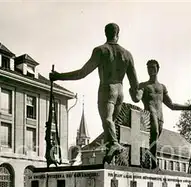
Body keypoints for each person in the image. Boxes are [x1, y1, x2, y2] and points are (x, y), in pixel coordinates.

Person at [50, 23, 140, 164]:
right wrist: (137, 96)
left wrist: (58, 76)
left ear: (106, 33)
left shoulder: (101, 50)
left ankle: (114, 144)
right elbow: (135, 85)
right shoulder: (127, 54)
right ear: (118, 34)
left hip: (107, 89)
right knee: (110, 125)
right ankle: (110, 152)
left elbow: (82, 73)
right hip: (120, 92)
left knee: (107, 120)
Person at [131, 59, 191, 169]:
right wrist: (133, 91)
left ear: (158, 69)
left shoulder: (162, 87)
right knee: (154, 134)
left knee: (154, 140)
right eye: (148, 68)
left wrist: (189, 107)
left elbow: (171, 105)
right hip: (149, 115)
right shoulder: (144, 85)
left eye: (153, 67)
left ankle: (147, 162)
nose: (150, 70)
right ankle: (153, 164)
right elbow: (137, 98)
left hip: (160, 117)